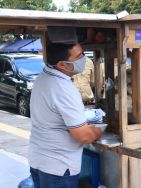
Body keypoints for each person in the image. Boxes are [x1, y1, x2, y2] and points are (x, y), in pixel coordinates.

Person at [29, 42, 102, 188]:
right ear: (63, 64)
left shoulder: (43, 77)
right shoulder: (63, 88)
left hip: (39, 160)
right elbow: (84, 136)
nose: (83, 58)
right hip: (59, 168)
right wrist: (96, 132)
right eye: (79, 56)